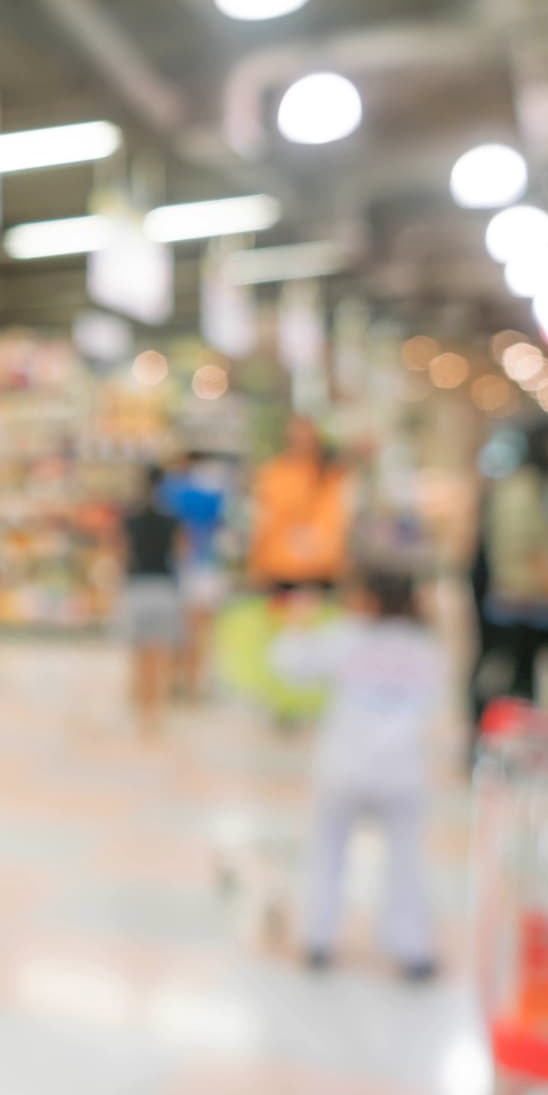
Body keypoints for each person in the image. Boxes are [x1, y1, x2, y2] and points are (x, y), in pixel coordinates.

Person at [272, 566, 443, 981]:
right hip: (402, 771)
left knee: (327, 853)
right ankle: (413, 949)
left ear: (370, 600)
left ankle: (318, 939)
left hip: (343, 768)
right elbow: (435, 701)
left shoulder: (344, 638)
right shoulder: (425, 647)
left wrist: (296, 624)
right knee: (406, 862)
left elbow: (288, 665)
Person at [474, 419, 548, 725]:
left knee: (529, 680)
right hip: (523, 600)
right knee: (521, 678)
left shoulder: (543, 486)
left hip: (538, 599)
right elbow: (528, 552)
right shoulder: (522, 489)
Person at [120, 462, 185, 743]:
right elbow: (180, 553)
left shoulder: (130, 519)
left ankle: (143, 714)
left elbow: (123, 554)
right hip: (164, 588)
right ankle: (156, 713)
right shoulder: (173, 519)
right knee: (161, 656)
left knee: (140, 655)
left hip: (138, 587)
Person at [248, 416, 350, 595]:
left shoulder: (331, 476)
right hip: (279, 569)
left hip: (321, 570)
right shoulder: (273, 474)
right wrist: (256, 565)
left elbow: (338, 523)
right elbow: (263, 522)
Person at [159, 451, 228, 696]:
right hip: (204, 566)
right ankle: (192, 683)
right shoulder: (213, 491)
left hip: (184, 568)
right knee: (199, 632)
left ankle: (176, 681)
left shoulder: (171, 490)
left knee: (178, 631)